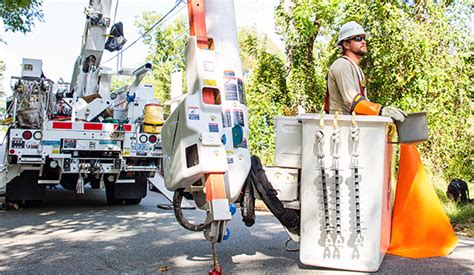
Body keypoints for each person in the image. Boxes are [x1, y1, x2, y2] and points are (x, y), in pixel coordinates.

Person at [325, 21, 406, 122]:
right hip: (340, 127)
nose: (363, 41)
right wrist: (381, 111)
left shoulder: (357, 69)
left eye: (364, 38)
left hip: (353, 126)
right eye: (358, 39)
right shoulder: (342, 65)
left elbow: (363, 103)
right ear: (346, 44)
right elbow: (353, 102)